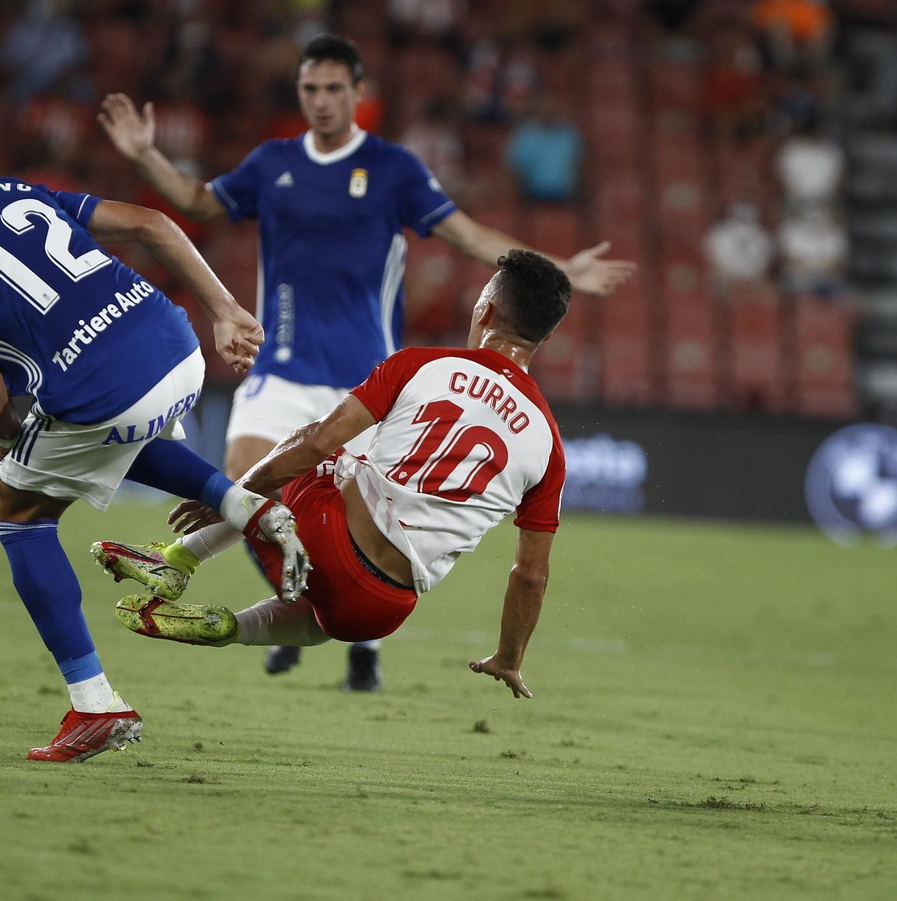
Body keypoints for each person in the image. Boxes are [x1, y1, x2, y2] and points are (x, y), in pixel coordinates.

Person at [97, 34, 633, 690]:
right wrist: (146, 154)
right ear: (300, 94)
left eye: (332, 88)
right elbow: (200, 201)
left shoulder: (395, 173)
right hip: (286, 371)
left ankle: (200, 569)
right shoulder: (272, 163)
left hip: (365, 372)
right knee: (261, 483)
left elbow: (470, 236)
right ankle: (285, 613)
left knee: (284, 476)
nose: (320, 101)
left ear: (358, 93)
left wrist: (555, 267)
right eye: (309, 89)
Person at [0, 127, 306, 763]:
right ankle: (251, 509)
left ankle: (95, 705)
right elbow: (153, 223)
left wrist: (9, 442)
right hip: (175, 343)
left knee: (18, 512)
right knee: (92, 436)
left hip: (104, 384)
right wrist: (223, 308)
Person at [93, 251, 571, 703]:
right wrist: (509, 658)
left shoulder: (422, 365)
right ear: (544, 339)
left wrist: (232, 495)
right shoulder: (549, 445)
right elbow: (530, 575)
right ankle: (232, 627)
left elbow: (315, 444)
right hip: (381, 610)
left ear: (484, 311)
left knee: (319, 449)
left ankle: (178, 558)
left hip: (326, 538)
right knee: (322, 617)